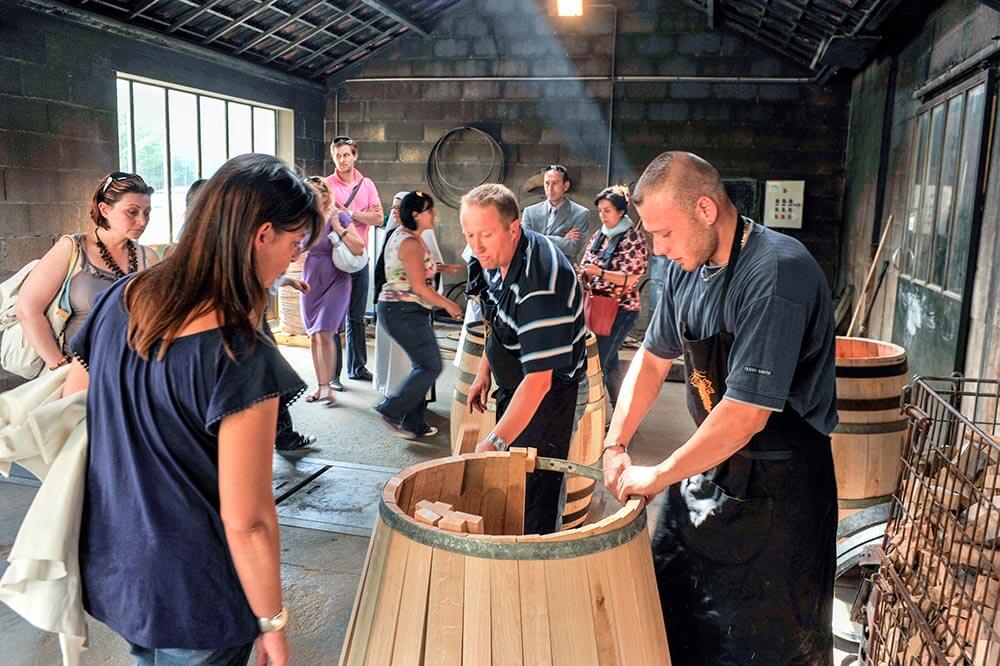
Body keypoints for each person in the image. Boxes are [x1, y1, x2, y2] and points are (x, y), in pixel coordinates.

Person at [60, 153, 324, 665]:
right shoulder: (240, 351)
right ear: (261, 235)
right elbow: (248, 518)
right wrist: (272, 621)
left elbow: (76, 402)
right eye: (294, 246)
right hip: (199, 590)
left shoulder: (121, 298)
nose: (291, 262)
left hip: (124, 564)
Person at [602, 151, 837, 663]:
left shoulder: (775, 274)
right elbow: (652, 356)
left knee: (763, 647)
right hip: (710, 468)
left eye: (664, 234)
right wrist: (616, 441)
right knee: (678, 617)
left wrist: (659, 473)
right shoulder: (688, 266)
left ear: (706, 209)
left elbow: (746, 414)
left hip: (779, 488)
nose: (658, 251)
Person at [462, 183, 587, 535]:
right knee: (513, 480)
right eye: (469, 234)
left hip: (551, 393)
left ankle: (538, 565)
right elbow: (494, 314)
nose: (476, 245)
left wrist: (495, 443)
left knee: (538, 490)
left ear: (513, 228)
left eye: (484, 234)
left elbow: (539, 381)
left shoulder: (540, 285)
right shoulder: (490, 257)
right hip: (516, 378)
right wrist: (484, 370)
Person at [16, 172, 159, 372]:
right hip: (76, 372)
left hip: (131, 371)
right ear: (105, 209)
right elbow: (27, 309)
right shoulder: (72, 247)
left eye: (147, 212)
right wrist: (58, 365)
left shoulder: (148, 257)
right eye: (132, 212)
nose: (142, 221)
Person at [374, 191, 463, 439]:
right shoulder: (411, 242)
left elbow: (409, 268)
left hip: (400, 309)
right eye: (428, 210)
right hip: (404, 310)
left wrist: (442, 267)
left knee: (425, 365)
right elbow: (419, 286)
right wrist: (450, 305)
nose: (434, 213)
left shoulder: (405, 236)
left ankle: (400, 412)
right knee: (430, 365)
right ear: (415, 214)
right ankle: (391, 410)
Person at [577, 185, 649, 406]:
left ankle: (591, 409)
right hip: (597, 306)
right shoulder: (600, 236)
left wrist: (599, 272)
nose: (603, 216)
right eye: (600, 211)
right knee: (609, 363)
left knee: (597, 360)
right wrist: (583, 273)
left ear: (621, 212)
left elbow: (632, 277)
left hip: (621, 309)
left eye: (607, 211)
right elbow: (587, 262)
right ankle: (621, 410)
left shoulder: (633, 239)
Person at [301, 175, 366, 405]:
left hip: (337, 278)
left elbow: (359, 247)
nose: (321, 193)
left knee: (325, 331)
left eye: (324, 189)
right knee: (313, 335)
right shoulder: (304, 220)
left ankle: (329, 387)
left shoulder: (340, 216)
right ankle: (320, 386)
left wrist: (339, 229)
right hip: (310, 279)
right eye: (315, 190)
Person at [327, 135, 383, 382]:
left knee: (356, 316)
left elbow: (379, 218)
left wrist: (348, 212)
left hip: (360, 258)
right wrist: (363, 215)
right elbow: (330, 218)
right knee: (335, 318)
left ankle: (357, 367)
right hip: (336, 259)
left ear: (355, 155)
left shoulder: (367, 184)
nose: (342, 160)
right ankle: (333, 375)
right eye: (338, 155)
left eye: (346, 154)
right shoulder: (327, 185)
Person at [519, 164, 591, 260]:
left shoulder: (580, 213)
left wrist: (537, 238)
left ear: (566, 186)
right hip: (534, 268)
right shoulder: (530, 212)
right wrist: (563, 240)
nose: (550, 188)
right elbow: (525, 242)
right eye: (547, 183)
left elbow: (573, 248)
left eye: (555, 183)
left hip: (563, 269)